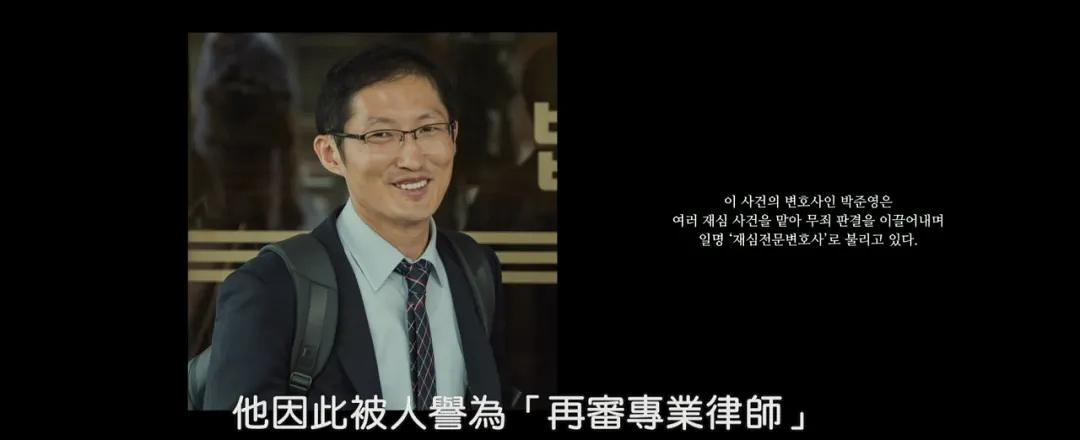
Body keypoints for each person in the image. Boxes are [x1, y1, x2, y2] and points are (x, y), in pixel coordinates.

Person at [204, 46, 508, 411]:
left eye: (428, 129)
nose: (412, 158)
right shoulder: (269, 288)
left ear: (453, 137)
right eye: (381, 135)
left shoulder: (476, 270)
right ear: (330, 153)